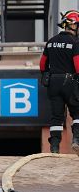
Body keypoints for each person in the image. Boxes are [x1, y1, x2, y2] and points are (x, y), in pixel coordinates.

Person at [40, 10, 79, 154]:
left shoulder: (51, 41)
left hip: (53, 82)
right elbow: (78, 65)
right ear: (73, 26)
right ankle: (76, 140)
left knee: (56, 117)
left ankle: (54, 147)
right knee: (76, 113)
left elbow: (42, 64)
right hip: (70, 81)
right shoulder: (75, 42)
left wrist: (45, 74)